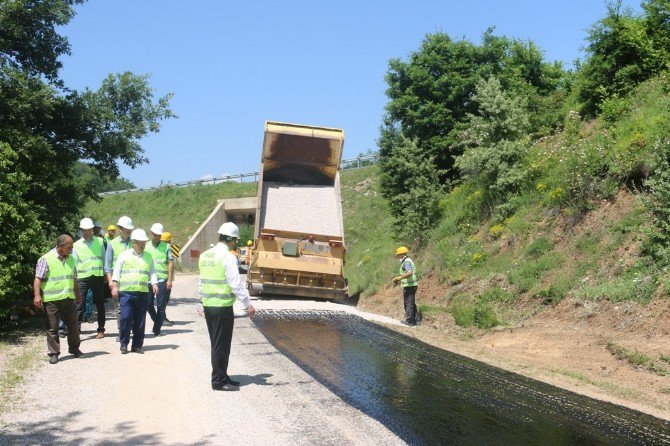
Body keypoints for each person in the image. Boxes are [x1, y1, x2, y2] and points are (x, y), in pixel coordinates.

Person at [199, 222, 256, 391]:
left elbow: (201, 282)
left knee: (218, 343)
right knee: (221, 344)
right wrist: (248, 304)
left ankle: (223, 375)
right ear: (230, 239)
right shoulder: (228, 257)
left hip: (210, 306)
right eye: (235, 240)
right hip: (222, 306)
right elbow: (236, 284)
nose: (236, 243)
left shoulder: (206, 255)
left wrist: (200, 302)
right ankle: (218, 381)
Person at [34, 234, 84, 364]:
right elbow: (38, 278)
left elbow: (74, 279)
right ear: (60, 247)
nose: (72, 249)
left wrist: (78, 294)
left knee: (73, 326)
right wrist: (37, 295)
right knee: (53, 328)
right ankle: (54, 353)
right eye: (69, 247)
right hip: (52, 300)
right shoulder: (46, 259)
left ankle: (74, 349)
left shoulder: (71, 259)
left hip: (68, 299)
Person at [111, 229, 158, 354]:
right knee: (125, 317)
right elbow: (116, 272)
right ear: (133, 242)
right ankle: (124, 344)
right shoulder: (124, 255)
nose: (142, 245)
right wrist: (114, 286)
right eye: (140, 242)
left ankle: (137, 345)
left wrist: (154, 283)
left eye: (144, 242)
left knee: (140, 320)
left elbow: (152, 272)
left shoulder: (148, 256)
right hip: (126, 292)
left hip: (142, 293)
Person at [73, 218, 107, 338]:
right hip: (82, 277)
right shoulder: (76, 245)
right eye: (84, 230)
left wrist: (105, 273)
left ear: (92, 230)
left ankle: (101, 329)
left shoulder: (100, 241)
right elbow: (75, 262)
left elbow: (104, 258)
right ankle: (76, 329)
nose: (87, 232)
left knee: (99, 303)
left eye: (89, 230)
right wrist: (75, 277)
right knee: (79, 303)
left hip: (97, 275)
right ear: (81, 231)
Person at [104, 216, 134, 340]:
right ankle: (122, 332)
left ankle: (131, 329)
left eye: (130, 228)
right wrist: (111, 282)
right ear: (120, 229)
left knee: (133, 309)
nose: (129, 231)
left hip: (133, 282)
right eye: (126, 228)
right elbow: (108, 265)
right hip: (118, 283)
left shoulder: (135, 242)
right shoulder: (112, 244)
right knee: (119, 309)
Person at [146, 223, 173, 336]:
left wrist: (169, 280)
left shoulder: (166, 246)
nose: (157, 237)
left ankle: (156, 329)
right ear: (151, 234)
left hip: (162, 280)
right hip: (148, 280)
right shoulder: (146, 246)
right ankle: (158, 322)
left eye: (159, 235)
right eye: (155, 235)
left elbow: (170, 263)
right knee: (148, 305)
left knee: (161, 306)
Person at [392, 246, 419, 326]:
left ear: (402, 254)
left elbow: (409, 272)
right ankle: (416, 320)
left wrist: (399, 278)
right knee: (411, 303)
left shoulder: (406, 262)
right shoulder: (407, 261)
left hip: (410, 286)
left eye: (398, 254)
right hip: (411, 285)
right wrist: (400, 280)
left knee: (408, 303)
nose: (397, 256)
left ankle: (410, 321)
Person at [161, 231, 179, 326]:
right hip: (164, 278)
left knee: (164, 299)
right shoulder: (165, 248)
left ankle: (162, 317)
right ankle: (161, 318)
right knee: (163, 299)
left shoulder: (163, 248)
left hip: (164, 278)